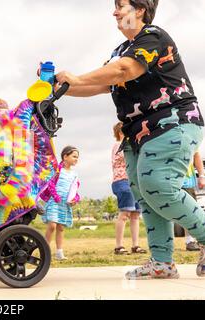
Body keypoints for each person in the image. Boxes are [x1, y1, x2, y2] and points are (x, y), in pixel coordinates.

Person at [56, 0, 205, 279]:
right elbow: (102, 84)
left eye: (121, 5)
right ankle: (161, 262)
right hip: (137, 133)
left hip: (172, 121)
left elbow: (125, 71)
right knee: (145, 195)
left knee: (158, 185)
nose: (115, 12)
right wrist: (60, 88)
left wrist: (74, 78)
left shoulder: (153, 37)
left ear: (139, 10)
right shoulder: (120, 51)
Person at [111, 122, 146, 255]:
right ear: (121, 132)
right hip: (122, 181)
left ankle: (135, 245)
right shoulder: (118, 145)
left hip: (133, 181)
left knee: (136, 214)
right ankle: (118, 245)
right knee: (124, 213)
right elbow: (125, 157)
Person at [40, 146, 80, 261]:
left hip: (64, 204)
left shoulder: (74, 174)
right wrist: (56, 196)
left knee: (61, 227)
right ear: (65, 156)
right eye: (74, 156)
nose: (76, 159)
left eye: (77, 157)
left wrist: (75, 199)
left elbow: (75, 189)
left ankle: (59, 252)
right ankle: (45, 251)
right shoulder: (57, 170)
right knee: (52, 225)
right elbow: (50, 184)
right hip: (54, 201)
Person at [180, 151, 205, 251]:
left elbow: (196, 155)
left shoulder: (190, 137)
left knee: (190, 211)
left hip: (187, 182)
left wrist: (202, 176)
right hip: (169, 181)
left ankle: (190, 240)